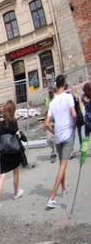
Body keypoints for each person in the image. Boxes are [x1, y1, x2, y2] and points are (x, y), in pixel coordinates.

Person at [44, 75, 76, 209]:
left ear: (56, 86)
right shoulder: (68, 97)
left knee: (61, 164)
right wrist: (73, 125)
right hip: (67, 135)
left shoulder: (52, 102)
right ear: (65, 84)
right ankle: (52, 197)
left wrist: (54, 131)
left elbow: (46, 124)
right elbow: (74, 114)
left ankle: (63, 188)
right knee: (63, 166)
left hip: (58, 136)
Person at [0, 100, 27, 212]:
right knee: (16, 172)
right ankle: (16, 193)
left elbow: (1, 138)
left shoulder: (0, 125)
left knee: (2, 177)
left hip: (4, 152)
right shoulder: (13, 122)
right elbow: (17, 135)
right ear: (13, 110)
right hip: (14, 151)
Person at [45, 89, 57, 163]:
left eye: (51, 92)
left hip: (56, 122)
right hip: (49, 122)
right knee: (48, 139)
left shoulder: (57, 98)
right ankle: (53, 149)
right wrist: (44, 123)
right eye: (49, 92)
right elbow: (46, 112)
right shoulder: (47, 100)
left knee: (55, 138)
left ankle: (54, 153)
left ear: (54, 91)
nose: (50, 94)